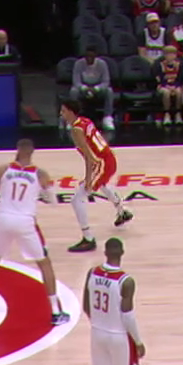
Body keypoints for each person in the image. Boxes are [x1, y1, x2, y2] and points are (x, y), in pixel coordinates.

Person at [0, 139, 69, 326]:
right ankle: (56, 312)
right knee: (44, 264)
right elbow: (54, 202)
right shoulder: (40, 174)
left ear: (17, 150)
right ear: (32, 152)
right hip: (25, 221)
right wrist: (42, 191)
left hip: (3, 219)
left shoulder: (3, 170)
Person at [83, 237, 144, 365]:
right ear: (122, 252)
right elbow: (128, 316)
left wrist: (100, 323)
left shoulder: (92, 273)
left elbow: (86, 306)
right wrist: (138, 341)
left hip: (98, 332)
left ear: (105, 252)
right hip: (119, 335)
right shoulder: (126, 281)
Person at [59, 99, 132, 252]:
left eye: (64, 111)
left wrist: (88, 179)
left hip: (101, 163)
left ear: (71, 112)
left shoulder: (76, 130)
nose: (61, 113)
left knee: (77, 199)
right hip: (108, 158)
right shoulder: (85, 121)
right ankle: (122, 211)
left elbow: (89, 157)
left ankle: (88, 239)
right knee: (103, 184)